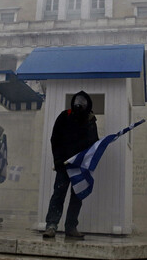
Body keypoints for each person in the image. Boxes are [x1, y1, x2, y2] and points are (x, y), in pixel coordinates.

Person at [42, 91, 99, 239]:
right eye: (78, 101)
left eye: (83, 102)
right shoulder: (64, 116)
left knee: (77, 197)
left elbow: (94, 144)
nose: (79, 104)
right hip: (64, 165)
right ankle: (51, 225)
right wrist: (58, 160)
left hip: (80, 166)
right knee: (58, 194)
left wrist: (87, 161)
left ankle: (71, 227)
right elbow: (55, 139)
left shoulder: (90, 120)